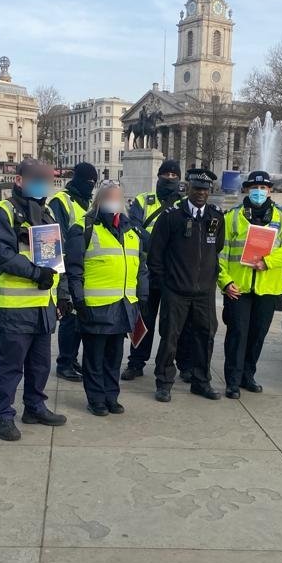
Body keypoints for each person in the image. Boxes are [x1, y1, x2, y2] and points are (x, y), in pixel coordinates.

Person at [0, 159, 69, 441]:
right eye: (38, 178)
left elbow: (58, 260)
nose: (44, 184)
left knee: (40, 364)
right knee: (9, 366)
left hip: (44, 306)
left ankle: (35, 406)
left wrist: (61, 293)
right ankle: (3, 416)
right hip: (15, 307)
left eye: (48, 179)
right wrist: (35, 273)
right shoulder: (2, 212)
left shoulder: (47, 215)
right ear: (18, 180)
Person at [66, 179, 148, 415]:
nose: (114, 202)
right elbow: (74, 269)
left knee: (114, 358)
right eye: (109, 197)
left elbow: (140, 266)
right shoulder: (83, 228)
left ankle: (111, 396)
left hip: (123, 306)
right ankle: (96, 399)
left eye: (118, 198)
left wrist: (141, 296)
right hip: (95, 306)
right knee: (94, 358)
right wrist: (79, 300)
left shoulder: (131, 230)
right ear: (99, 200)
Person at [149, 167, 224, 402]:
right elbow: (155, 253)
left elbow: (216, 247)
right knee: (170, 337)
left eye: (205, 189)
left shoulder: (215, 216)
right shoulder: (172, 215)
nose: (201, 193)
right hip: (176, 290)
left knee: (205, 336)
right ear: (187, 188)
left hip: (204, 291)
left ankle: (201, 381)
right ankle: (164, 382)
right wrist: (165, 283)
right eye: (197, 188)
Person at [218, 171, 282, 397]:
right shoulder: (232, 216)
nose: (259, 192)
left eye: (263, 188)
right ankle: (232, 380)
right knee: (237, 334)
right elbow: (221, 254)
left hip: (268, 286)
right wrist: (225, 282)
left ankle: (248, 375)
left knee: (258, 334)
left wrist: (268, 262)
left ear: (270, 190)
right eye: (254, 188)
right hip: (238, 287)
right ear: (246, 189)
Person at [122, 159, 192, 381]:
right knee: (144, 320)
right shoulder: (144, 200)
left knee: (175, 323)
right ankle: (136, 362)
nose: (169, 179)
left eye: (174, 176)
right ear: (158, 177)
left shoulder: (184, 203)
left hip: (174, 273)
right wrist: (155, 242)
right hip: (147, 271)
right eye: (166, 175)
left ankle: (181, 364)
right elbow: (132, 226)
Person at [49, 161, 98, 381]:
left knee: (79, 317)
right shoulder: (61, 201)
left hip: (84, 268)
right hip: (67, 267)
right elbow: (57, 235)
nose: (90, 185)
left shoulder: (89, 202)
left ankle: (72, 359)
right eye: (87, 181)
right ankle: (64, 363)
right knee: (69, 316)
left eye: (93, 182)